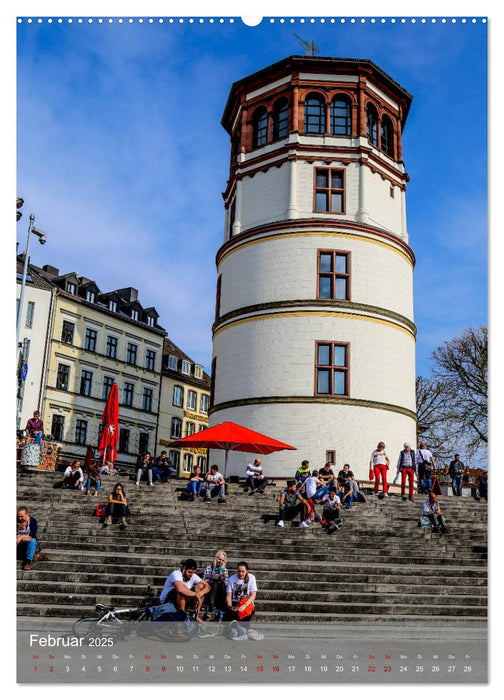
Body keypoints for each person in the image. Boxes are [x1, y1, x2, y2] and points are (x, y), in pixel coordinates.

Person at [159, 559, 213, 637]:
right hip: (168, 601)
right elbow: (180, 589)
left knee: (201, 586)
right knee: (182, 590)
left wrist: (200, 593)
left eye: (193, 572)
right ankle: (182, 616)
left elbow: (208, 587)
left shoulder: (193, 576)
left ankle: (195, 614)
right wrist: (195, 595)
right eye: (190, 572)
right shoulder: (176, 574)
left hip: (182, 601)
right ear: (184, 569)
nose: (191, 575)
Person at [225, 562, 263, 641]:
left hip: (246, 603)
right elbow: (229, 595)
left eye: (243, 571)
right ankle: (237, 630)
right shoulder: (232, 579)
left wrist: (244, 605)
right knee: (231, 612)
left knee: (246, 612)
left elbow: (253, 595)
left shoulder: (251, 578)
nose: (241, 573)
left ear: (247, 571)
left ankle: (238, 629)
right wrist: (230, 606)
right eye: (239, 571)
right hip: (235, 602)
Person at [202, 550, 229, 619]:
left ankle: (222, 608)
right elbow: (203, 581)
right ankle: (211, 607)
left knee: (221, 584)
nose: (220, 561)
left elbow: (227, 585)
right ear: (216, 558)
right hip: (209, 591)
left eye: (222, 560)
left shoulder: (224, 570)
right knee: (214, 583)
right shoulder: (209, 567)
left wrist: (223, 579)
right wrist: (211, 577)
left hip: (220, 592)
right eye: (219, 559)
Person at [17, 507, 38, 571]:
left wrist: (20, 537)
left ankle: (27, 562)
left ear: (27, 514)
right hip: (19, 543)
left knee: (32, 541)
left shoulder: (33, 521)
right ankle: (34, 554)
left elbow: (33, 534)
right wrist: (25, 537)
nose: (20, 518)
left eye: (22, 516)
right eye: (18, 516)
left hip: (27, 542)